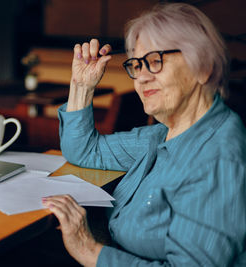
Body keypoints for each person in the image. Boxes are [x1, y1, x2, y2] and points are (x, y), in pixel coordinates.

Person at [42, 3, 246, 266]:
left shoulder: (217, 158)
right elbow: (85, 150)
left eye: (155, 61)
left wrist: (88, 250)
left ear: (203, 68)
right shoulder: (165, 135)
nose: (141, 77)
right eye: (137, 65)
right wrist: (81, 86)